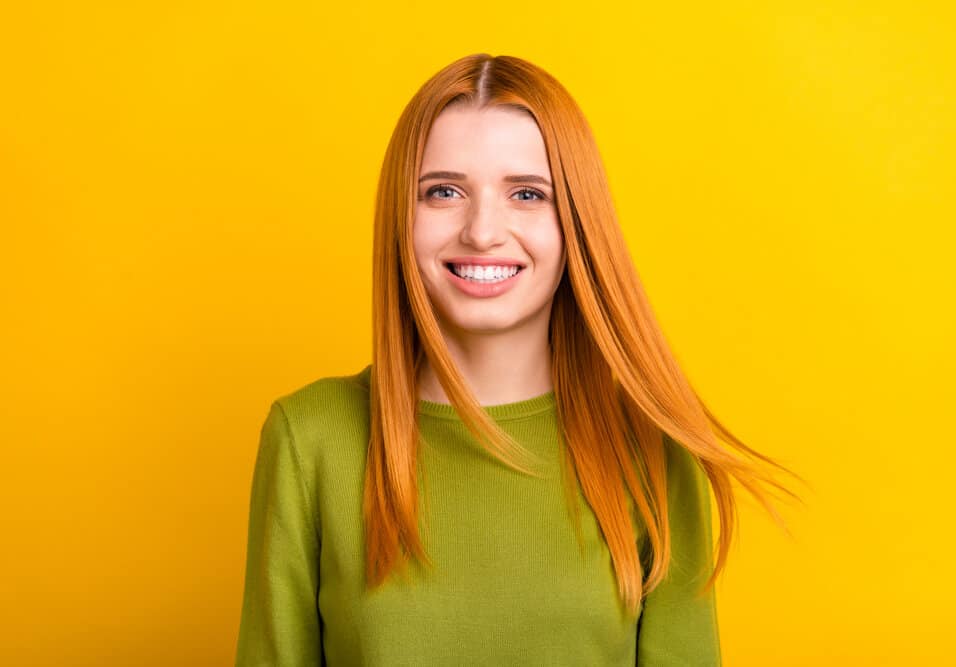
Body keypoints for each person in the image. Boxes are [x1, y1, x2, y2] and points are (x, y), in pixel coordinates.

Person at [235, 53, 802, 666]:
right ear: (401, 216)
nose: (482, 231)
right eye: (443, 192)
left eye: (528, 193)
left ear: (577, 223)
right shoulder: (310, 438)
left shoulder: (655, 450)